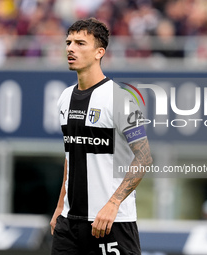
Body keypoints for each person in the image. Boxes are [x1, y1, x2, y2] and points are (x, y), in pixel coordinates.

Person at [50, 18, 153, 254]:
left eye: (80, 43)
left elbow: (144, 158)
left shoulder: (120, 99)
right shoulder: (65, 97)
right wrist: (59, 207)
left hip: (110, 222)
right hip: (69, 223)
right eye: (68, 42)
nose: (70, 48)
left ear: (99, 52)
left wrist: (113, 204)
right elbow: (71, 155)